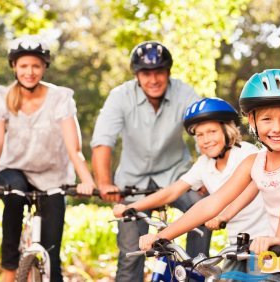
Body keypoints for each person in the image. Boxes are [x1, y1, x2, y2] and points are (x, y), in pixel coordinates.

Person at [139, 69, 280, 281]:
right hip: (278, 263)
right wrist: (162, 236)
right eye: (266, 119)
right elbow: (213, 203)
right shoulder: (254, 163)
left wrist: (279, 237)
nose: (277, 128)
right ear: (252, 121)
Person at [0, 35, 95, 282]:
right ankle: (10, 269)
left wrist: (87, 181)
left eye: (36, 66)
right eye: (23, 66)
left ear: (44, 67)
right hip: (13, 169)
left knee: (52, 256)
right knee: (14, 195)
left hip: (53, 175)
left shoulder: (60, 98)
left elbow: (74, 148)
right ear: (14, 67)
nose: (29, 72)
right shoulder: (2, 96)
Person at [90, 41, 211, 282]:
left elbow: (204, 131)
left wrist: (206, 175)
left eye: (159, 72)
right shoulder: (120, 96)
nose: (153, 79)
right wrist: (104, 183)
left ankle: (194, 272)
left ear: (168, 72)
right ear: (137, 75)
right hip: (133, 183)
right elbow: (103, 141)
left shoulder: (184, 93)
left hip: (177, 177)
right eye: (146, 73)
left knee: (204, 211)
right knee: (130, 257)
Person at [113, 97, 271, 275]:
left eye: (212, 131)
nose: (206, 140)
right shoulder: (204, 164)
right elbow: (171, 192)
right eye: (200, 135)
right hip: (236, 245)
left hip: (266, 242)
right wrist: (131, 207)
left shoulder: (247, 154)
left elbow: (251, 188)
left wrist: (223, 216)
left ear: (228, 130)